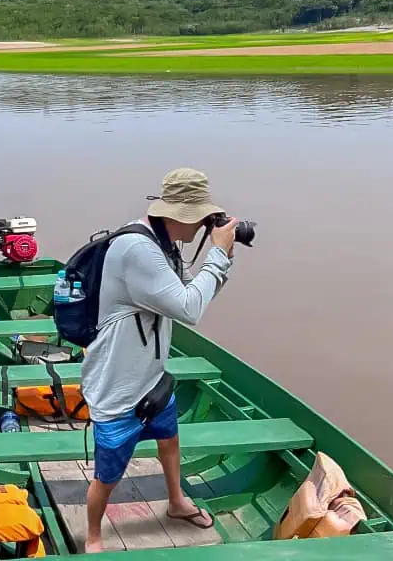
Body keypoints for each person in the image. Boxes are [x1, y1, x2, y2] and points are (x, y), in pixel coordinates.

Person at [81, 167, 238, 553]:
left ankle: (176, 501)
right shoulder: (138, 250)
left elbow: (186, 297)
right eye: (199, 217)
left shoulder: (164, 244)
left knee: (169, 437)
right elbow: (189, 309)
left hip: (149, 376)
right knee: (107, 474)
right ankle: (93, 536)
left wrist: (220, 260)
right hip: (118, 387)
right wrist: (217, 255)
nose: (202, 225)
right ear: (175, 214)